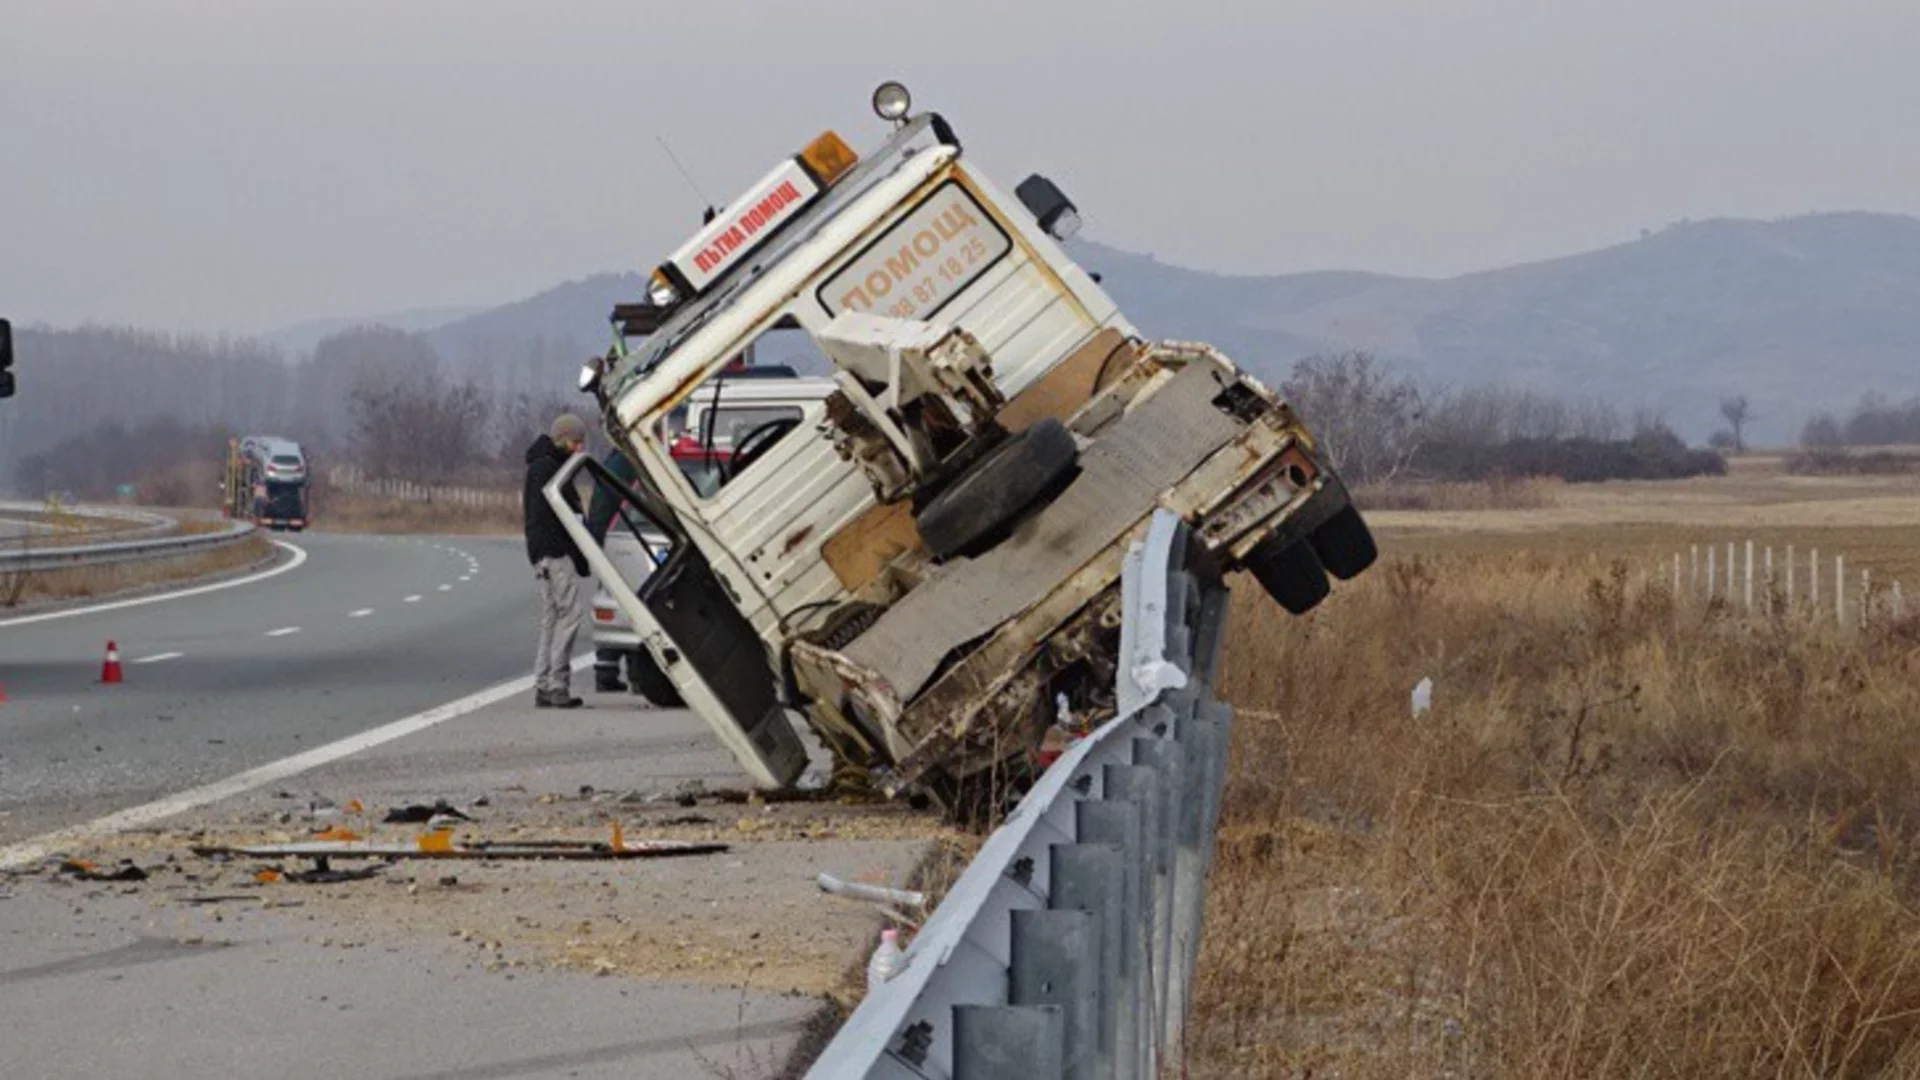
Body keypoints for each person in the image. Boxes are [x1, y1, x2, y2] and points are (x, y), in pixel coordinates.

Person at [523, 414, 591, 708]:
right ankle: (558, 685)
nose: (578, 448)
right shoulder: (549, 469)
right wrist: (578, 556)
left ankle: (543, 685)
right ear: (562, 438)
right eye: (576, 442)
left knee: (551, 618)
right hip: (553, 552)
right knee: (571, 614)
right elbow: (561, 520)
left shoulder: (541, 465)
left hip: (541, 552)